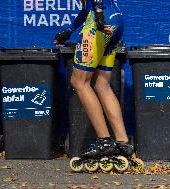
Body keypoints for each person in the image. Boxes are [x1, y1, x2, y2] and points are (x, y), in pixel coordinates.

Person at [55, 0, 138, 172]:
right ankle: (122, 143)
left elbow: (93, 6)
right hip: (115, 21)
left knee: (79, 82)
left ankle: (104, 140)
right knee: (102, 85)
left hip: (99, 22)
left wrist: (99, 13)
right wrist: (69, 30)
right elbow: (86, 7)